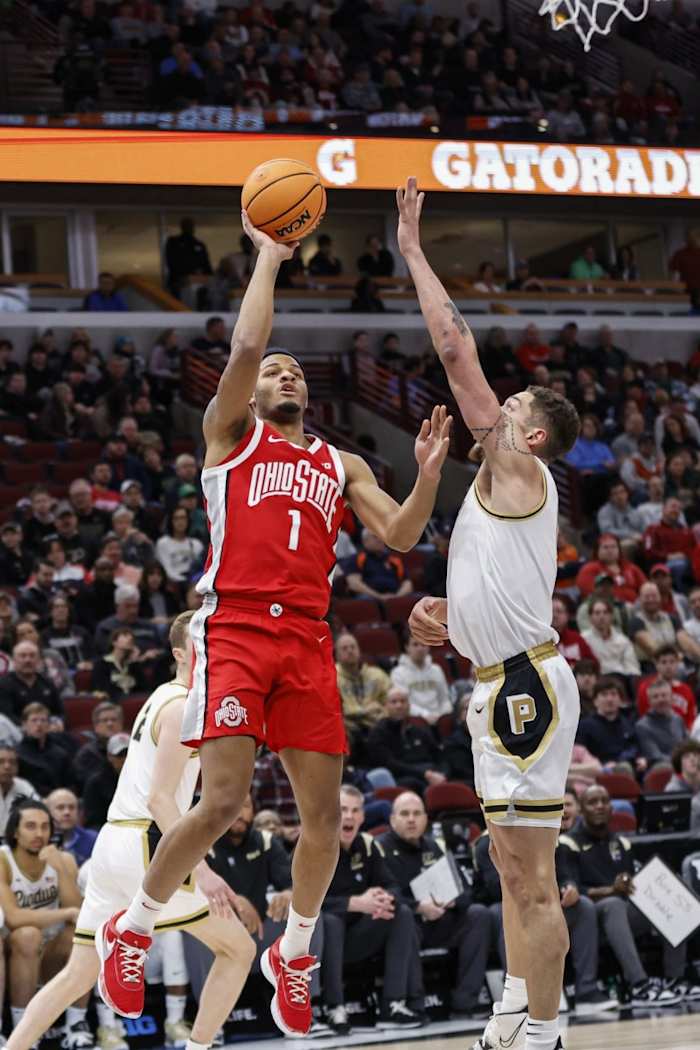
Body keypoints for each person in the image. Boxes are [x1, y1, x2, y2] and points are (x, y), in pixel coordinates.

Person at [97, 207, 452, 1037]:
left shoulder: (343, 461)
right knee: (221, 802)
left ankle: (292, 952)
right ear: (252, 392)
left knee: (324, 821)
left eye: (296, 371)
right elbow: (249, 347)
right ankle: (135, 927)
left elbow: (399, 535)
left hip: (307, 638)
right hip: (237, 628)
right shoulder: (231, 437)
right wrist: (268, 257)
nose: (285, 375)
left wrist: (430, 473)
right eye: (275, 371)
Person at [398, 175, 581, 1050]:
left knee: (533, 876)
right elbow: (486, 584)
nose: (492, 414)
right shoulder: (497, 490)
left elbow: (456, 351)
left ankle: (544, 1030)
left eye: (510, 413)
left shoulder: (522, 471)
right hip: (495, 677)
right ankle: (516, 1003)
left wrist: (414, 255)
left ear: (533, 435)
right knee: (509, 866)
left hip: (523, 689)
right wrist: (445, 613)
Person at [5, 611, 256, 1050]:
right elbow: (161, 799)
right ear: (180, 653)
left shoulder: (162, 696)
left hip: (113, 843)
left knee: (77, 974)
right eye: (203, 640)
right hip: (147, 842)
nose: (215, 647)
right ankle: (197, 1046)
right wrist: (204, 868)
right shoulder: (181, 706)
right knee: (239, 950)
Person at [569, 785, 690, 1005]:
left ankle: (676, 978)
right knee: (614, 903)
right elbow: (573, 891)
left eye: (604, 801)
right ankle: (639, 984)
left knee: (669, 899)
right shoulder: (569, 843)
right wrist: (610, 890)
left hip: (621, 918)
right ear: (582, 810)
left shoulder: (621, 842)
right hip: (587, 919)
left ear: (612, 808)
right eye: (592, 802)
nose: (599, 806)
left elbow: (631, 884)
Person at [380, 791, 492, 1018]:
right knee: (404, 919)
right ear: (392, 820)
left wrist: (452, 901)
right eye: (405, 814)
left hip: (441, 920)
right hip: (406, 924)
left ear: (425, 819)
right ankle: (415, 1004)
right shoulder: (380, 848)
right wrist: (418, 907)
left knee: (479, 914)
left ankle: (465, 1003)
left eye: (417, 814)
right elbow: (383, 896)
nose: (411, 819)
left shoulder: (435, 846)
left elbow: (466, 891)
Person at [321, 785, 423, 1032]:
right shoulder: (315, 847)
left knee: (401, 911)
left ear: (362, 817)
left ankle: (392, 1005)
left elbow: (392, 886)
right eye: (343, 809)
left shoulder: (367, 845)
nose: (349, 816)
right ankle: (334, 1007)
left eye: (355, 810)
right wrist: (354, 903)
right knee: (330, 920)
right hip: (322, 943)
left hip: (358, 938)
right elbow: (300, 901)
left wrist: (382, 899)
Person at [0, 800, 88, 1048]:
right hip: (14, 955)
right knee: (28, 934)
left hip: (51, 958)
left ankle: (77, 1026)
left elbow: (79, 913)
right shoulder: (3, 861)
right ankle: (24, 1031)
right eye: (30, 826)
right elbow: (13, 918)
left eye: (44, 827)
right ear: (15, 832)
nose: (39, 833)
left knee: (83, 934)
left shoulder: (64, 859)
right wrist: (65, 913)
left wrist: (60, 869)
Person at [366, 686, 447, 793]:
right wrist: (425, 774)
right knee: (412, 784)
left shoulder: (420, 730)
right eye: (394, 702)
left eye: (403, 701)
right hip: (402, 776)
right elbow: (390, 764)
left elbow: (440, 756)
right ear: (386, 706)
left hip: (431, 772)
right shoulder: (378, 733)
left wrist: (443, 774)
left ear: (409, 705)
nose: (399, 705)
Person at [576, 678, 642, 772]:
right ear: (595, 701)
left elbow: (635, 748)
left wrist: (640, 759)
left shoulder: (628, 724)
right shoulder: (585, 726)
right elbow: (579, 755)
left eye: (613, 694)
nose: (609, 699)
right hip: (598, 772)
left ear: (620, 700)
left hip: (629, 767)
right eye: (604, 694)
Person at [390, 635, 452, 724]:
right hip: (414, 720)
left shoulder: (437, 670)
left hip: (438, 718)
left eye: (423, 644)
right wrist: (425, 715)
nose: (420, 648)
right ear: (407, 647)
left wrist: (441, 715)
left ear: (428, 647)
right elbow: (404, 703)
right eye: (415, 645)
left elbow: (444, 699)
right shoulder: (398, 673)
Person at [0, 642, 63, 724]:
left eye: (32, 656)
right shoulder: (3, 684)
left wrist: (56, 723)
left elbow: (59, 712)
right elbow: (7, 716)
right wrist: (32, 726)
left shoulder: (47, 683)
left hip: (47, 730)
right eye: (22, 656)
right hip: (17, 732)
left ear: (39, 660)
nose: (28, 660)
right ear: (14, 660)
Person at [636, 645, 696, 728]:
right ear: (656, 664)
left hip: (682, 736)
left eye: (672, 662)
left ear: (677, 664)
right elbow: (643, 715)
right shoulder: (646, 688)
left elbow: (691, 720)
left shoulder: (686, 690)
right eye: (663, 662)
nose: (668, 666)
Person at [634, 678, 687, 766]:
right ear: (649, 701)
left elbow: (688, 747)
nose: (661, 700)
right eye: (656, 697)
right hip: (659, 770)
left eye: (664, 695)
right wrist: (683, 763)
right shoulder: (642, 726)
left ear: (671, 698)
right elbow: (655, 756)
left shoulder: (678, 719)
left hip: (684, 767)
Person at [45, 789, 97, 867]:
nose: (67, 812)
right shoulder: (39, 839)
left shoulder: (93, 839)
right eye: (60, 807)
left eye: (72, 807)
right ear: (47, 812)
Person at [164, 218, 213, 301]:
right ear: (182, 227)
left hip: (199, 281)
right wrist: (184, 275)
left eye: (191, 226)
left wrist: (208, 275)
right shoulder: (174, 242)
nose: (190, 228)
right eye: (187, 226)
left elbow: (206, 264)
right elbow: (171, 262)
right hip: (178, 281)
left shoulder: (198, 244)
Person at [0, 745, 39, 837]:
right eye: (1, 762)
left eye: (12, 762)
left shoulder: (24, 787)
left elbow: (39, 812)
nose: (7, 766)